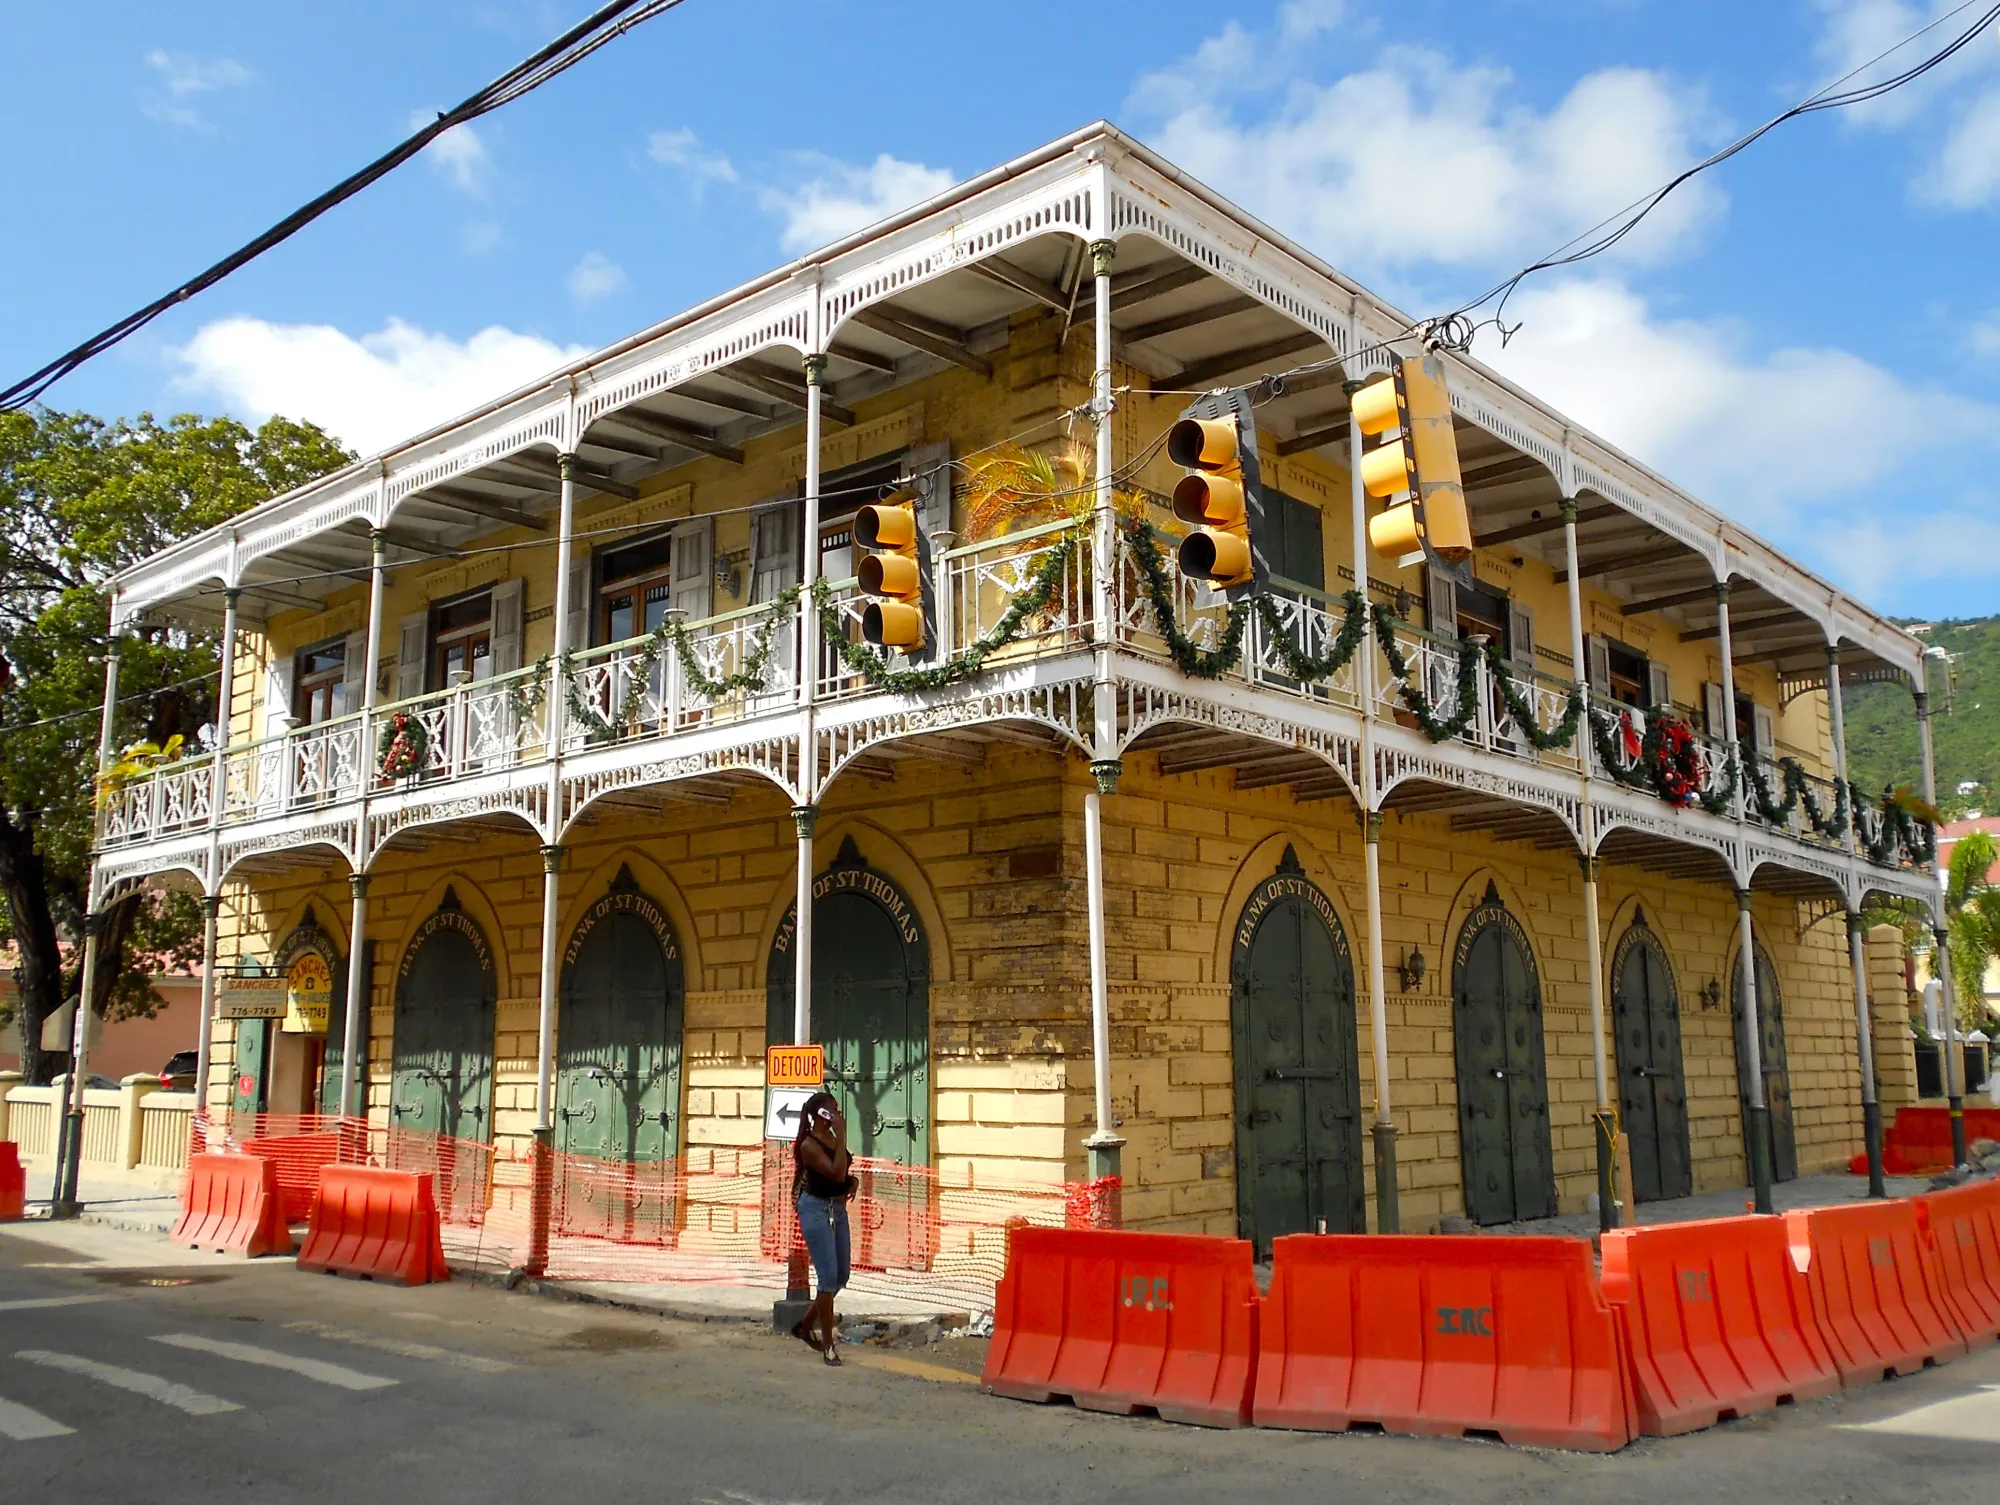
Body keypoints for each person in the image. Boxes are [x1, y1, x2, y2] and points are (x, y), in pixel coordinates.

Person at [791, 1090, 856, 1365]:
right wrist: (841, 1135)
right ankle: (828, 1346)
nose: (838, 1113)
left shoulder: (831, 1137)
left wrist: (851, 1182)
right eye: (833, 1109)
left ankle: (804, 1326)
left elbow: (843, 1174)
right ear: (821, 1114)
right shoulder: (809, 1144)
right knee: (828, 1278)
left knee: (841, 1276)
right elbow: (835, 1171)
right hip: (816, 1210)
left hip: (837, 1209)